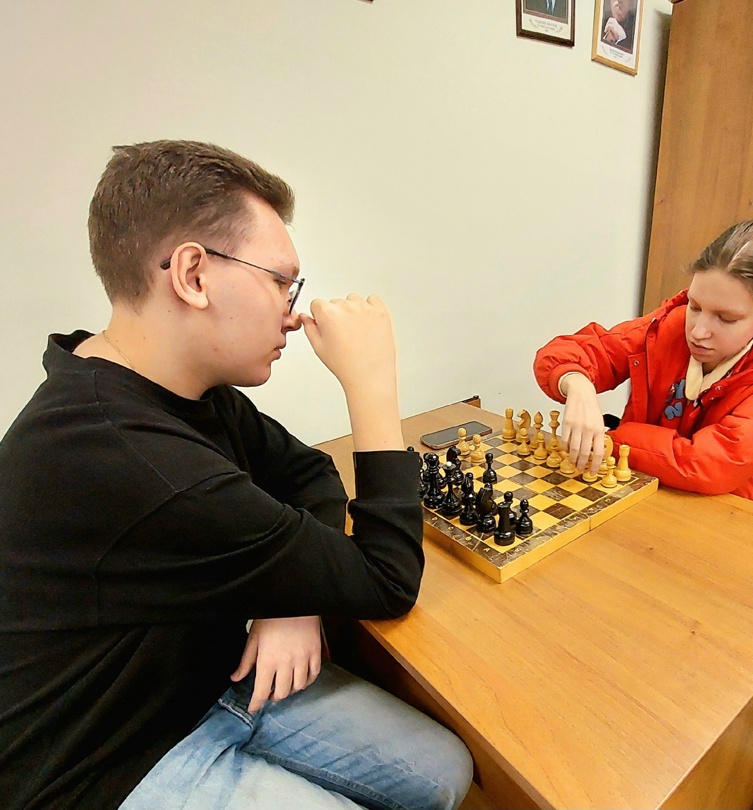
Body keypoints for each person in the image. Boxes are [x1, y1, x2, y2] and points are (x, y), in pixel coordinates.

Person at [0, 141, 473, 810]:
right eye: (281, 281)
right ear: (193, 274)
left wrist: (292, 596)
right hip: (105, 762)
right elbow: (387, 580)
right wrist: (372, 386)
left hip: (206, 681)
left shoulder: (165, 385)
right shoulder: (138, 462)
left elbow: (306, 470)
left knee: (444, 770)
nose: (294, 311)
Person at [534, 220, 753, 511]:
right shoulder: (668, 326)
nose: (698, 331)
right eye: (695, 306)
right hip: (645, 487)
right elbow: (567, 353)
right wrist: (577, 383)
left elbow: (710, 464)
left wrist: (614, 441)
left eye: (726, 318)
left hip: (731, 508)